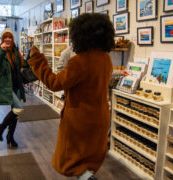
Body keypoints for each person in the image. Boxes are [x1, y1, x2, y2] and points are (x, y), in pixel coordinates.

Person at [29, 13, 115, 180]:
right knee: (89, 159)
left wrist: (37, 60)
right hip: (100, 117)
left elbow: (54, 83)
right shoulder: (106, 59)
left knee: (73, 162)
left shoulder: (79, 62)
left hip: (79, 119)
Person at [0, 28, 26, 147]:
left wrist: (32, 57)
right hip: (6, 85)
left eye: (10, 37)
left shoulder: (15, 50)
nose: (8, 39)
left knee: (15, 113)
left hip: (17, 84)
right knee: (18, 108)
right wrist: (2, 51)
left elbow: (22, 64)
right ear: (2, 39)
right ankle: (1, 128)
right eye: (6, 37)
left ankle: (10, 137)